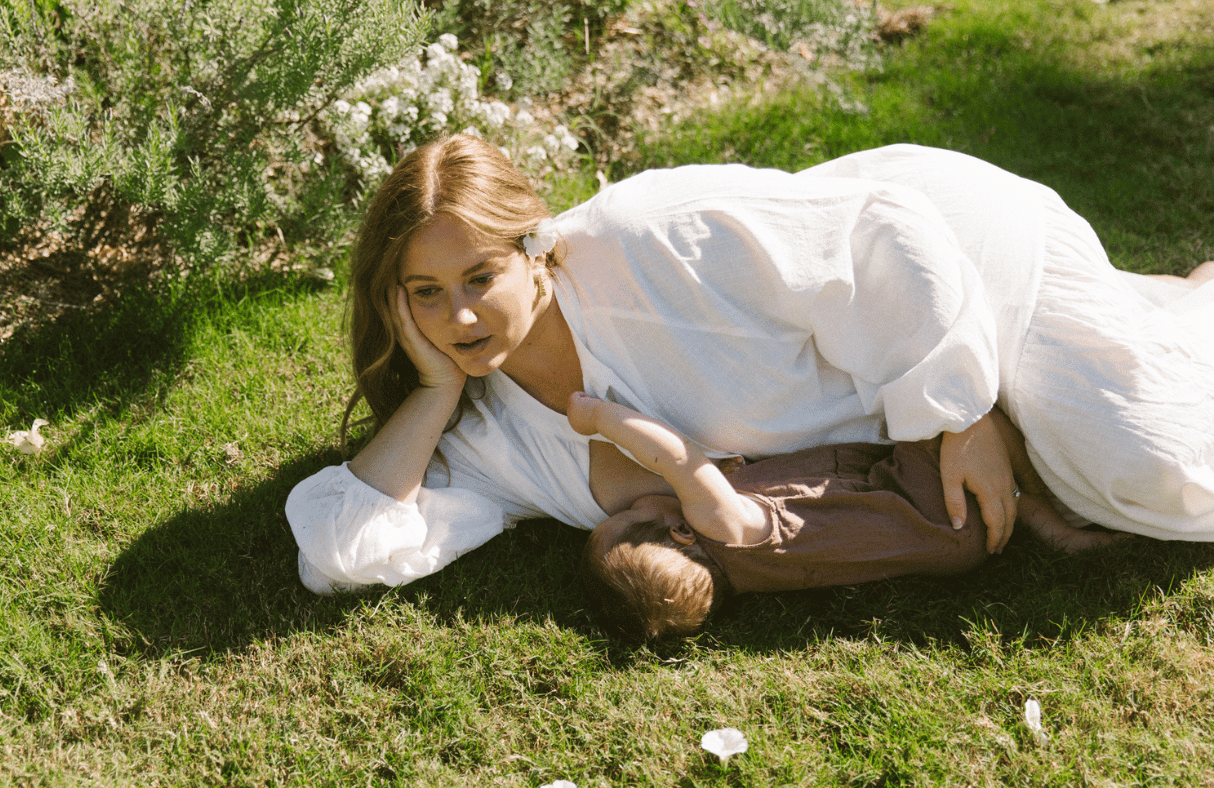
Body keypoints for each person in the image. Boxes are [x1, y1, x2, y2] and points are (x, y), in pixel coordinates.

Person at [285, 134, 1214, 594]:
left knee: (1157, 473)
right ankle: (1156, 312)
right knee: (1116, 480)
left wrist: (962, 413)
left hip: (958, 263)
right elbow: (341, 550)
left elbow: (885, 231)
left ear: (535, 248)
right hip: (899, 379)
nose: (462, 315)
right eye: (426, 294)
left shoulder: (651, 239)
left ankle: (1194, 300)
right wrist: (439, 392)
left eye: (480, 275)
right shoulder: (493, 440)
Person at [567, 391, 1127, 641]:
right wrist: (601, 416)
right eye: (630, 513)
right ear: (683, 532)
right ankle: (1048, 506)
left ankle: (1041, 523)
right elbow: (677, 459)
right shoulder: (728, 528)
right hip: (925, 495)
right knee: (959, 419)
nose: (633, 500)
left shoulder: (747, 577)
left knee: (987, 500)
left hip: (949, 549)